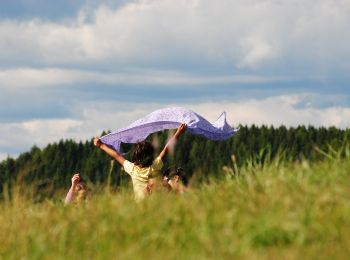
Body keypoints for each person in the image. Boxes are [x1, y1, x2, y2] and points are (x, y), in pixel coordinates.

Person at [94, 123, 186, 201]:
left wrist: (101, 145)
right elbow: (166, 149)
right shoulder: (154, 166)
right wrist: (178, 133)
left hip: (139, 206)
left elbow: (116, 155)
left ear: (136, 157)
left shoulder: (132, 169)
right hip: (154, 204)